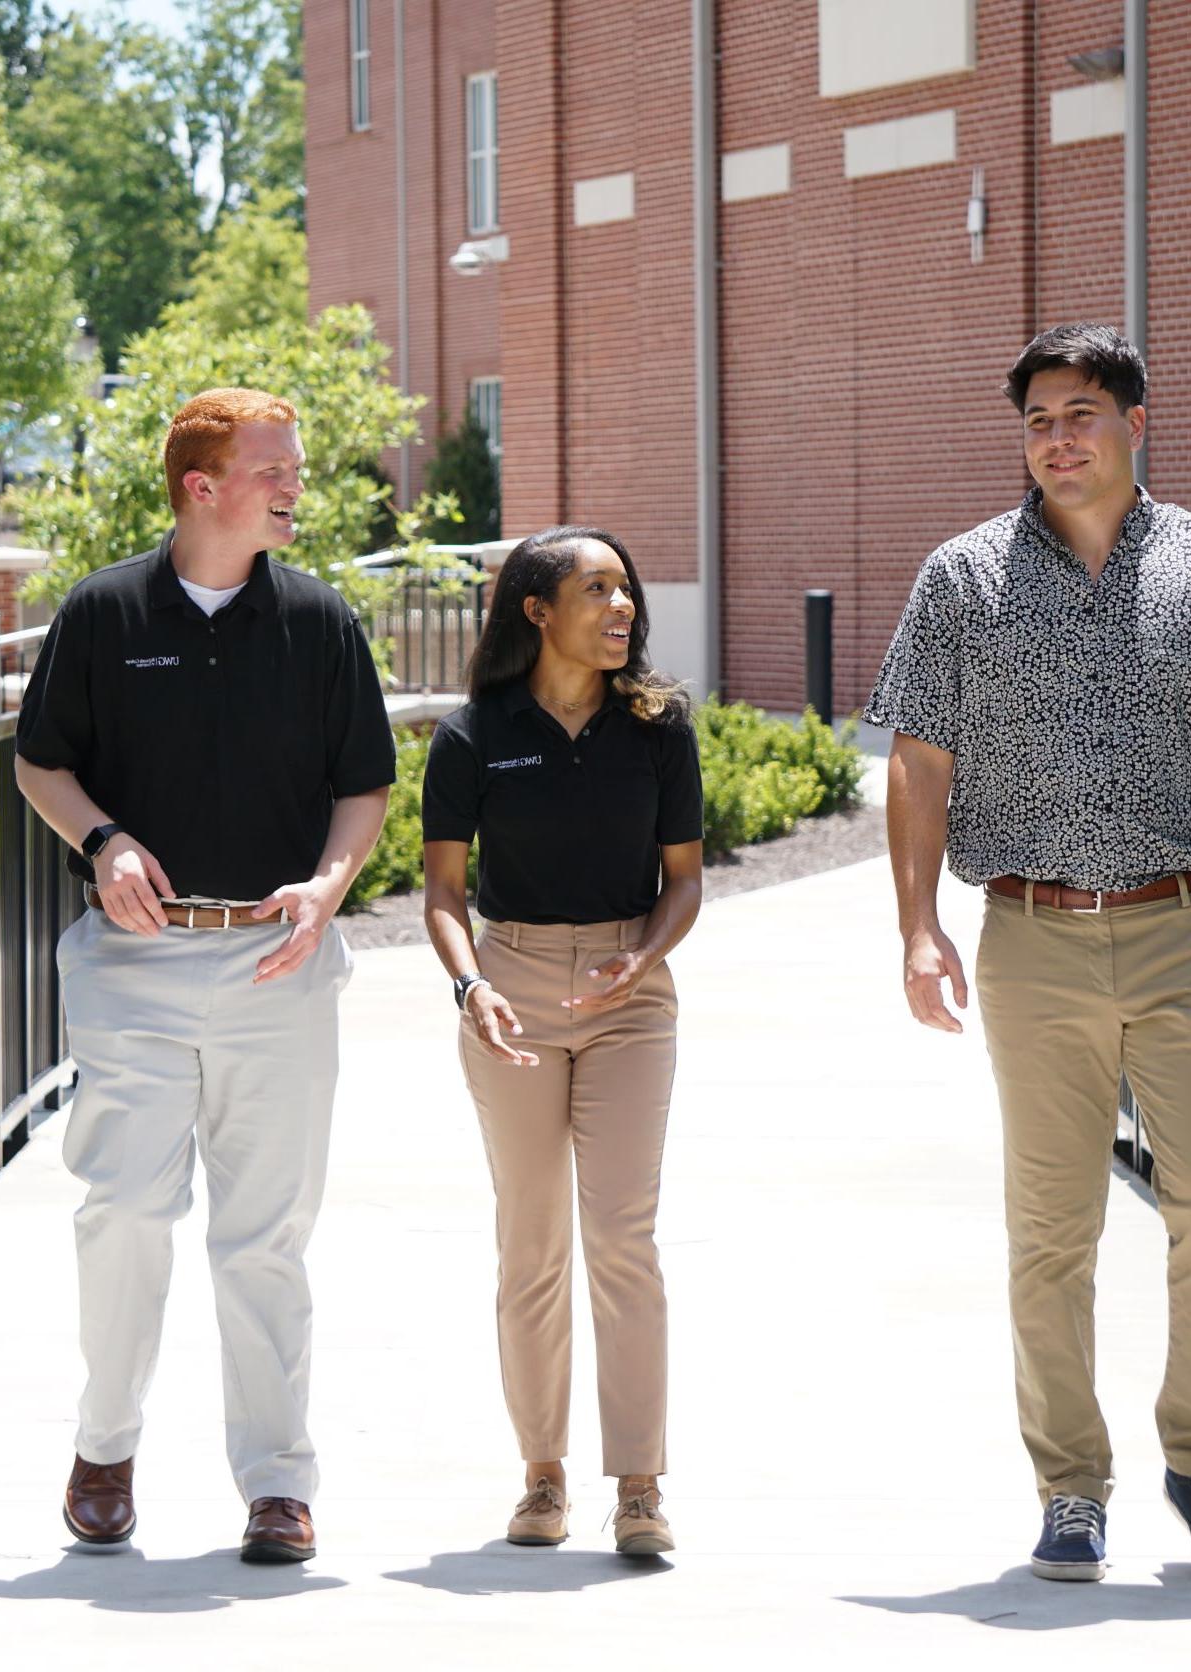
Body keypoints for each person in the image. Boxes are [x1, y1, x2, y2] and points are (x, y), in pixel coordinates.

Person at [864, 324, 1191, 1588]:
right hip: (1032, 935)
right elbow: (921, 761)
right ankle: (1069, 1487)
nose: (1059, 437)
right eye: (1037, 419)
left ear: (1137, 423)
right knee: (1052, 1228)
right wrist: (918, 926)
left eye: (1082, 412)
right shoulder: (962, 577)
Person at [12, 387, 396, 1564]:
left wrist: (329, 888)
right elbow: (42, 763)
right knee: (123, 1207)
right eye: (274, 466)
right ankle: (106, 1443)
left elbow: (363, 790)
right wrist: (104, 840)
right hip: (133, 963)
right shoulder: (104, 613)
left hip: (279, 965)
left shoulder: (323, 623)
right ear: (201, 485)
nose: (294, 484)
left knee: (264, 1234)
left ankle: (278, 1482)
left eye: (295, 464)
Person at [420, 527, 705, 1558]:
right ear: (537, 610)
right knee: (531, 1244)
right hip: (513, 986)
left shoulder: (660, 727)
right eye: (597, 589)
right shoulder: (474, 734)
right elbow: (444, 893)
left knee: (624, 1238)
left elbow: (685, 879)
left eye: (626, 589)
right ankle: (542, 1473)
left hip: (631, 989)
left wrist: (645, 956)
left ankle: (639, 1484)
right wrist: (470, 986)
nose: (622, 607)